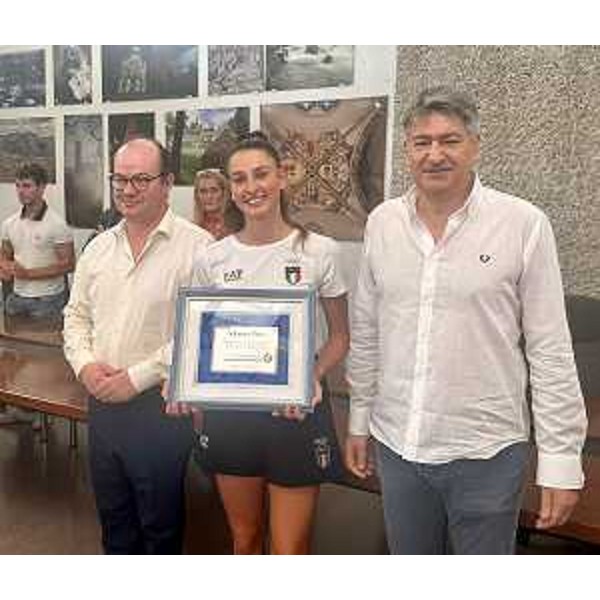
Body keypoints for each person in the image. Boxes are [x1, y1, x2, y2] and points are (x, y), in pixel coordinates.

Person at [345, 86, 588, 555]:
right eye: (422, 142)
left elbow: (550, 349)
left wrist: (560, 460)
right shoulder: (383, 223)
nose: (435, 154)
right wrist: (359, 419)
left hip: (486, 452)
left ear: (475, 146)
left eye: (450, 140)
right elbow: (368, 331)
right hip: (397, 445)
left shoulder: (523, 223)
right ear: (407, 150)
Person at [168, 132, 350, 554]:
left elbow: (341, 337)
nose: (251, 187)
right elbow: (197, 340)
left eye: (261, 174)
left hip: (295, 412)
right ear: (231, 189)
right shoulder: (213, 258)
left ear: (282, 177)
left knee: (289, 549)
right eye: (240, 179)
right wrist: (182, 383)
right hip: (231, 415)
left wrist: (311, 376)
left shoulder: (319, 251)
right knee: (245, 539)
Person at [63, 138, 213, 554]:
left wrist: (138, 377)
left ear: (167, 183)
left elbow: (201, 331)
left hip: (159, 408)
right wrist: (86, 366)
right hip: (102, 401)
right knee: (114, 521)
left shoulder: (199, 249)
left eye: (141, 180)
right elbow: (75, 316)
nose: (128, 190)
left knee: (160, 527)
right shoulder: (98, 248)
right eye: (120, 179)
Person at [0, 162, 74, 319]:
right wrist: (5, 267)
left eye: (27, 186)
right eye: (18, 186)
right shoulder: (9, 223)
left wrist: (29, 273)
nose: (21, 191)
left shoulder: (57, 224)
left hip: (48, 300)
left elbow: (69, 264)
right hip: (16, 297)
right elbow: (4, 255)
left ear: (41, 188)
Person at [192, 168, 232, 240]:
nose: (209, 196)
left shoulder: (237, 227)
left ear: (224, 193)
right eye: (203, 191)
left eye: (214, 190)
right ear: (197, 195)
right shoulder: (191, 228)